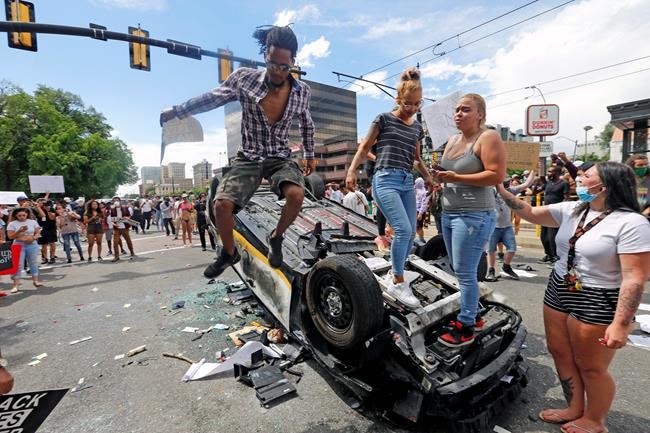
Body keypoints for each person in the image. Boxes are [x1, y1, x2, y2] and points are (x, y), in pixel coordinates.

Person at [497, 162, 650, 433]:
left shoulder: (631, 223)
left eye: (586, 175)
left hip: (598, 297)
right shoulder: (572, 210)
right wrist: (499, 188)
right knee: (560, 352)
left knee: (591, 366)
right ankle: (574, 407)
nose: (578, 178)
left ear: (605, 186)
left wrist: (621, 323)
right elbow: (530, 212)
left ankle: (595, 419)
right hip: (559, 287)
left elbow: (635, 278)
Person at [161, 25, 314, 277]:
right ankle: (228, 253)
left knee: (297, 194)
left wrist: (309, 154)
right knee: (220, 205)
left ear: (293, 63)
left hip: (279, 156)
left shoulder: (302, 92)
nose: (277, 72)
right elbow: (212, 98)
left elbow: (307, 123)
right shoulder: (245, 79)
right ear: (266, 55)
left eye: (284, 67)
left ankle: (276, 237)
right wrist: (178, 111)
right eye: (273, 64)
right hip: (250, 155)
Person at [346, 67, 434, 309]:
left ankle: (399, 271)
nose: (412, 108)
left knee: (410, 236)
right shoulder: (383, 119)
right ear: (397, 99)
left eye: (417, 104)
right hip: (385, 180)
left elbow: (416, 158)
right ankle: (397, 280)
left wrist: (427, 177)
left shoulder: (416, 127)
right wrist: (352, 170)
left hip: (407, 181)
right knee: (404, 231)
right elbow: (364, 147)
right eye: (408, 103)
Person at [434, 93, 506, 347]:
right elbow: (451, 174)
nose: (458, 114)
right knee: (458, 269)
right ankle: (473, 314)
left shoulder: (488, 137)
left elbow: (495, 175)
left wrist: (455, 177)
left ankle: (465, 326)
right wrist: (441, 178)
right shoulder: (452, 140)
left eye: (465, 110)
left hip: (474, 215)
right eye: (457, 110)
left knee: (465, 273)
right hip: (449, 213)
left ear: (480, 115)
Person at [486, 171, 535, 281]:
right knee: (491, 251)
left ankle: (506, 266)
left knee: (512, 249)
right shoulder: (490, 191)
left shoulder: (510, 191)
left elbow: (526, 184)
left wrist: (533, 170)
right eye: (505, 182)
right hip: (493, 227)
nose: (508, 183)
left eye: (508, 181)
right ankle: (491, 270)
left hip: (507, 226)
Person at [538, 166, 570, 264]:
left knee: (552, 237)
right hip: (545, 212)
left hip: (555, 213)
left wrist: (562, 210)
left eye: (550, 171)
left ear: (557, 172)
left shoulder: (564, 184)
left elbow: (566, 198)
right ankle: (548, 254)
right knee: (544, 236)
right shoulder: (548, 183)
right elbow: (536, 191)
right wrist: (537, 183)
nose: (548, 173)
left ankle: (555, 256)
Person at [7, 207, 44, 292]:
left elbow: (38, 232)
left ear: (27, 214)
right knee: (18, 265)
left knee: (33, 262)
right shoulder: (12, 224)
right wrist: (19, 231)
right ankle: (15, 285)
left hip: (32, 244)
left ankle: (36, 280)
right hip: (18, 245)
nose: (22, 217)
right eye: (19, 215)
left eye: (24, 215)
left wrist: (33, 238)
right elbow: (10, 236)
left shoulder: (33, 222)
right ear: (16, 216)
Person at [108, 196, 135, 262]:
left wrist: (127, 218)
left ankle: (132, 251)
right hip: (116, 228)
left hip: (125, 227)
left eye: (117, 200)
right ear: (113, 202)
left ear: (119, 201)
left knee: (128, 240)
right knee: (115, 242)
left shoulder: (125, 208)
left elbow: (129, 215)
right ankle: (116, 256)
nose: (116, 201)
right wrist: (114, 224)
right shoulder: (112, 209)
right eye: (114, 200)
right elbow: (111, 219)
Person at [35, 199, 57, 265]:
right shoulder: (38, 210)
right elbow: (39, 216)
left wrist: (48, 211)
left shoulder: (51, 209)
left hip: (51, 228)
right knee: (43, 244)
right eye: (42, 204)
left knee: (51, 242)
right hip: (42, 228)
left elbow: (52, 218)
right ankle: (45, 258)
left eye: (45, 204)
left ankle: (52, 257)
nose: (44, 205)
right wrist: (38, 207)